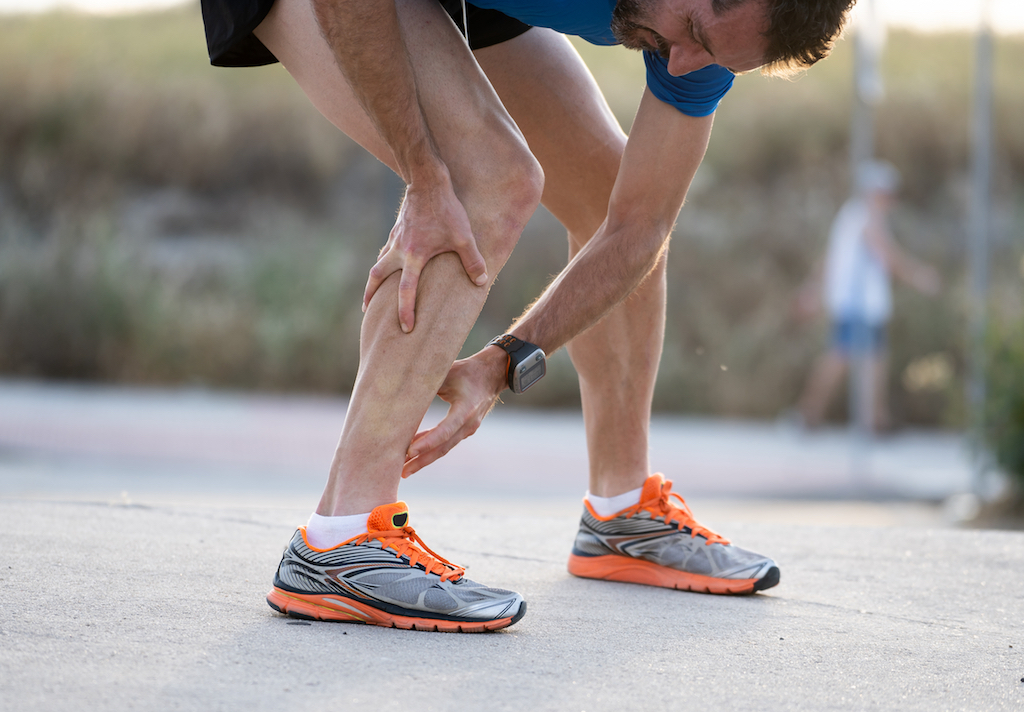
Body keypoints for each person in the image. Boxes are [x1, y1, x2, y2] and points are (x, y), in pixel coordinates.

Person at [200, 0, 853, 632]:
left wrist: (503, 362)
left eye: (714, 59)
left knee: (605, 192)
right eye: (692, 34)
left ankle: (621, 514)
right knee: (486, 176)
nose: (682, 64)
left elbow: (638, 227)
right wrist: (426, 178)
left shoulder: (704, 42)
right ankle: (342, 538)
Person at [797, 160, 941, 432]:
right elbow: (887, 255)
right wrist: (920, 277)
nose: (890, 199)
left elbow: (829, 259)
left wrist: (813, 287)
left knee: (874, 358)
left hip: (861, 304)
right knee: (841, 358)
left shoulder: (852, 215)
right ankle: (809, 414)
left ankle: (874, 419)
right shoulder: (864, 217)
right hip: (856, 304)